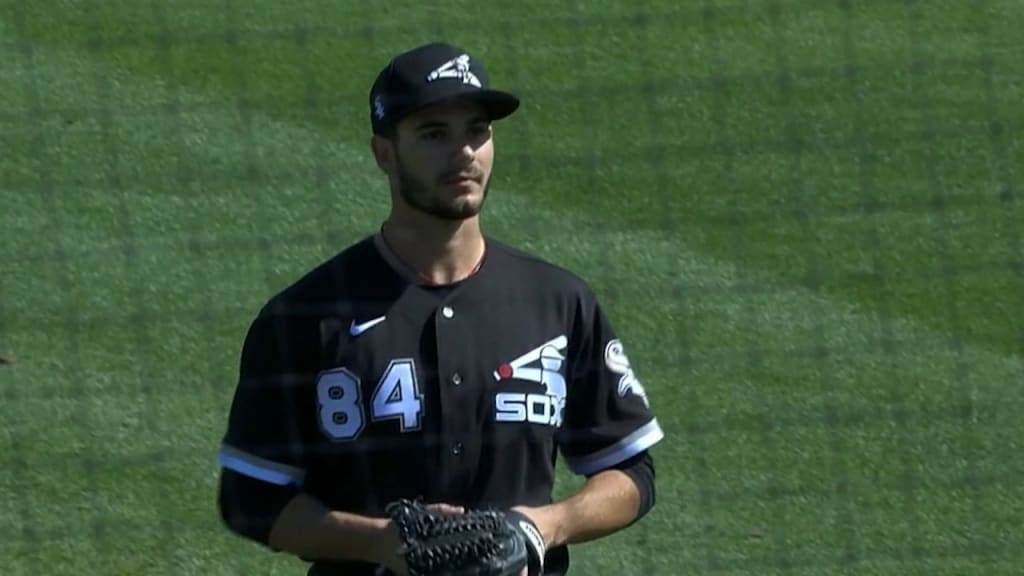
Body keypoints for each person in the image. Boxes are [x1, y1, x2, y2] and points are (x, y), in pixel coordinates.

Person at [216, 41, 665, 576]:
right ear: (384, 152)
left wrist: (544, 527)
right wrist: (381, 542)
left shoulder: (557, 302)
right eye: (435, 135)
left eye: (477, 130)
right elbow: (250, 498)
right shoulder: (305, 317)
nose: (464, 153)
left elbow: (631, 471)